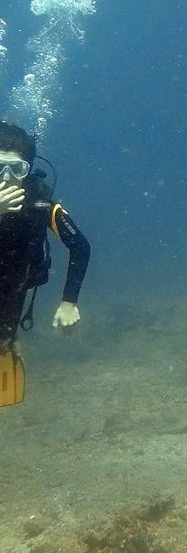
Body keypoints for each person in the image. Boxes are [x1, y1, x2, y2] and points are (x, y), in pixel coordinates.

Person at [0, 121, 90, 406]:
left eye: (16, 169)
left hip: (14, 285)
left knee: (3, 339)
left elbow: (80, 246)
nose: (7, 178)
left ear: (28, 170)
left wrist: (69, 302)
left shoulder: (40, 205)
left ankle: (8, 343)